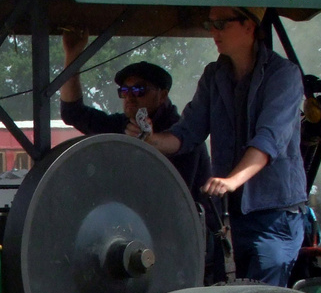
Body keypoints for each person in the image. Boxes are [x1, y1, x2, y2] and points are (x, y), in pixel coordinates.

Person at [142, 7, 308, 287]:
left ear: (249, 26)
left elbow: (269, 140)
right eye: (210, 23)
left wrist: (231, 181)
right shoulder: (213, 75)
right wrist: (152, 139)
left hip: (275, 217)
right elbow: (187, 133)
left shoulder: (285, 76)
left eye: (221, 23)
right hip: (230, 219)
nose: (213, 31)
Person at [59, 32, 222, 279]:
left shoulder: (182, 136)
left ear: (162, 94)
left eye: (139, 89)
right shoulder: (120, 126)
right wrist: (73, 55)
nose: (130, 97)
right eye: (124, 90)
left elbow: (170, 198)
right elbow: (73, 112)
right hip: (134, 236)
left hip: (181, 244)